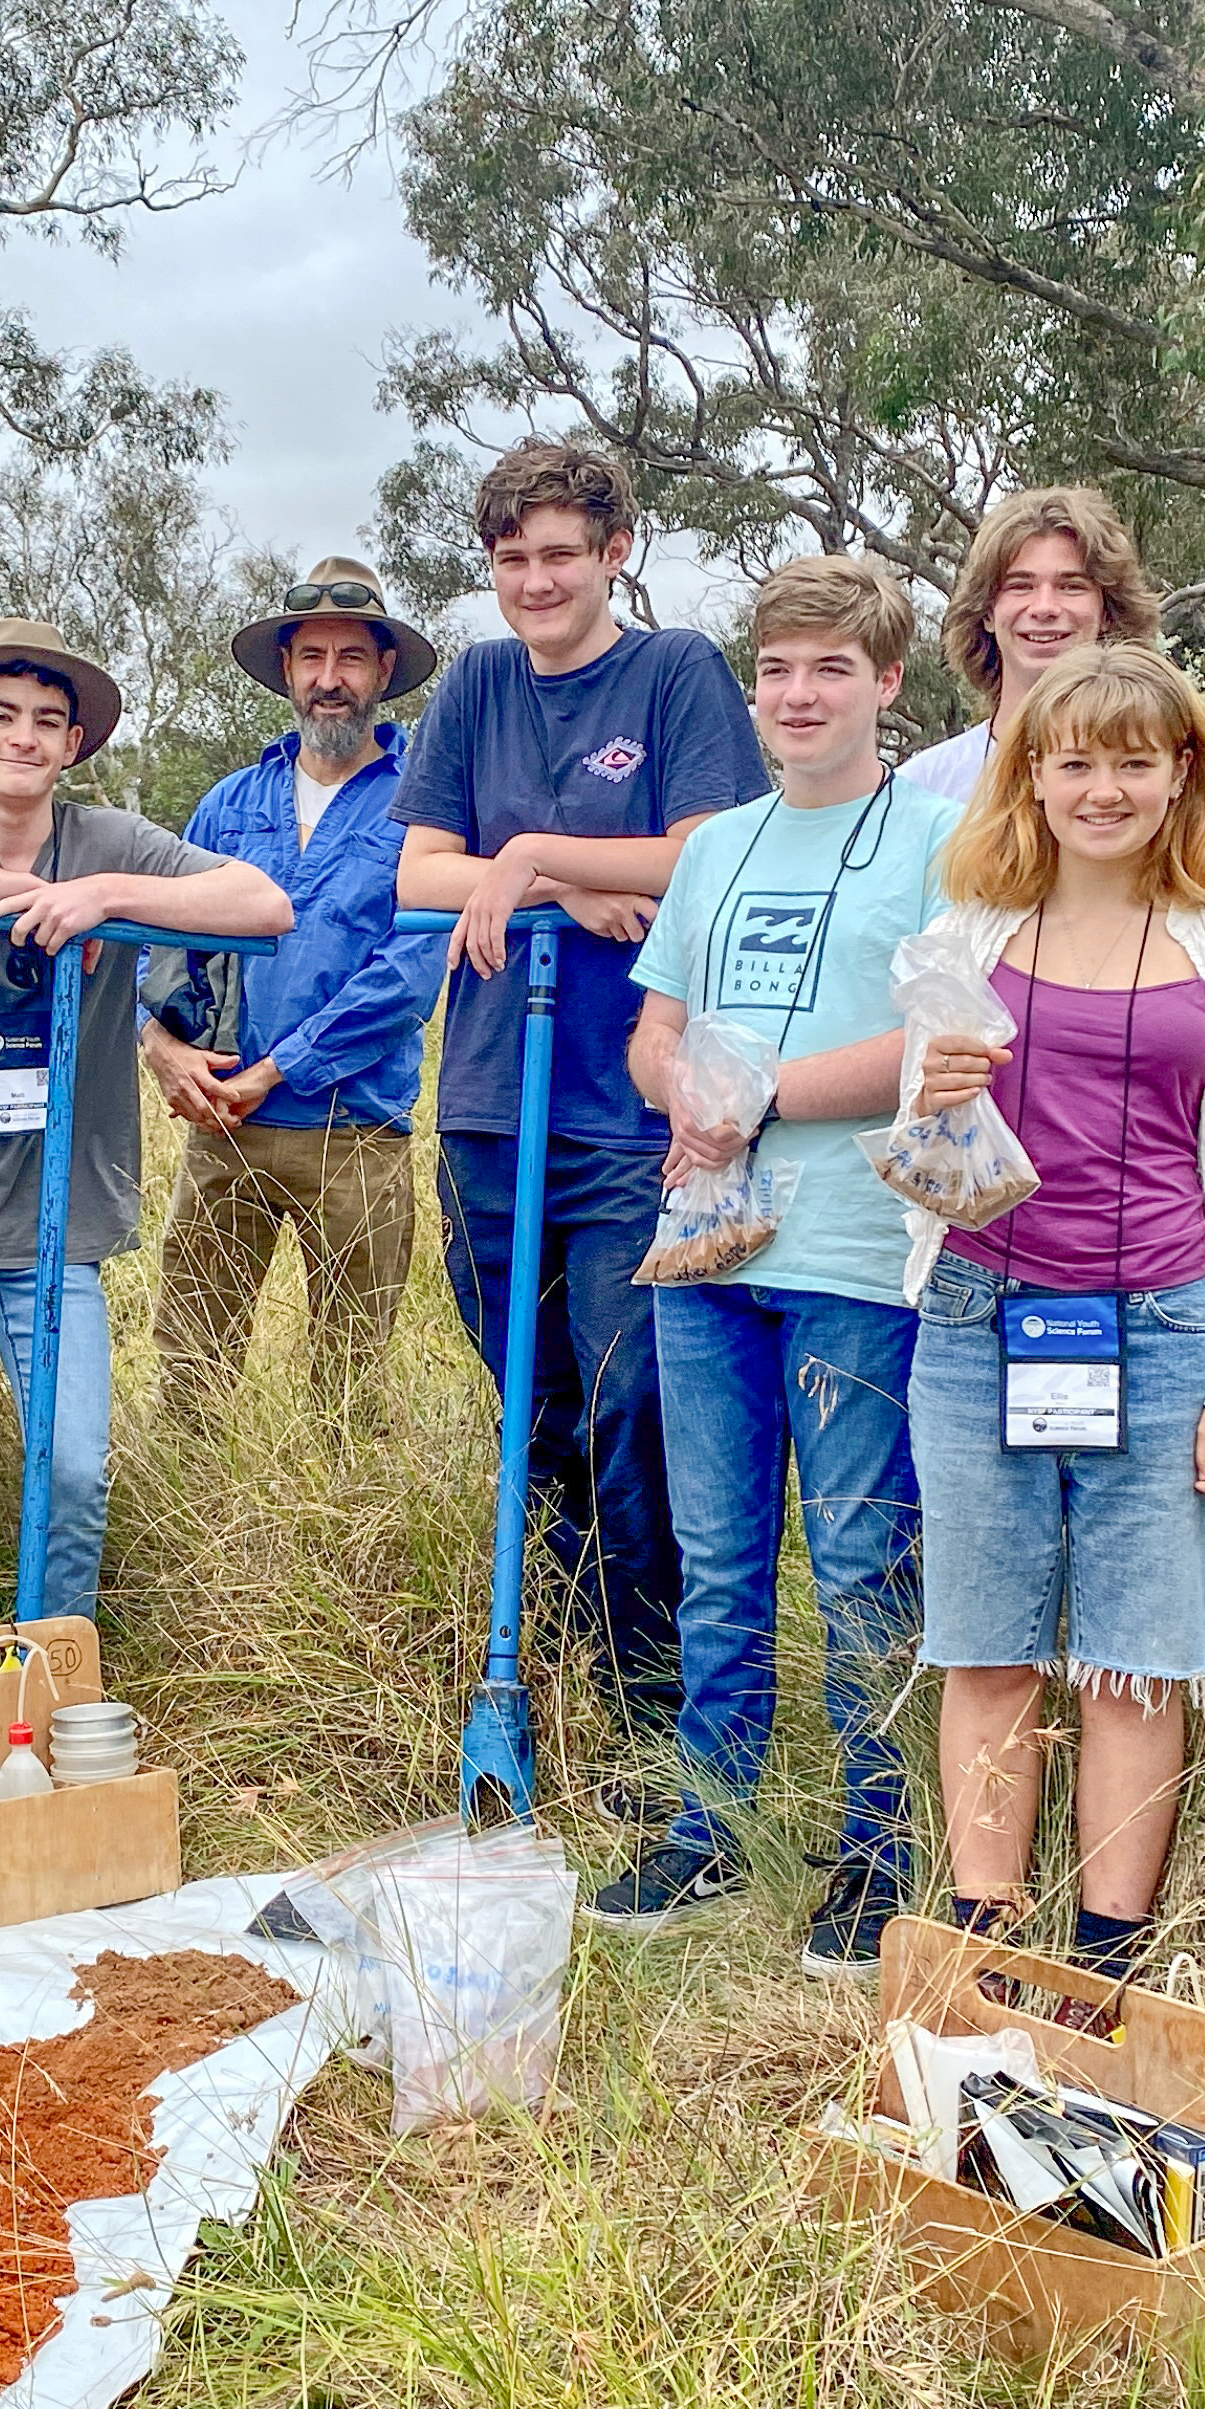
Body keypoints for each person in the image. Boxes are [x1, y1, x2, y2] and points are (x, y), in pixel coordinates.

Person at [900, 645, 1205, 2004]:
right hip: (977, 1322)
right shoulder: (964, 937)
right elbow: (923, 1152)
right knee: (988, 1640)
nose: (1104, 788)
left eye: (1137, 760)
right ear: (1030, 776)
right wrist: (932, 1094)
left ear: (1184, 772)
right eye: (1074, 761)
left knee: (1138, 1654)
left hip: (1164, 1328)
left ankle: (1107, 1965)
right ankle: (987, 1944)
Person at [594, 556, 952, 1972]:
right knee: (720, 1551)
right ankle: (712, 1827)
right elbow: (652, 1032)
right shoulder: (718, 846)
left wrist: (764, 1097)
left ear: (885, 685)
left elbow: (940, 1043)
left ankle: (881, 1848)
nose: (799, 696)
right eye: (779, 670)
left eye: (830, 670)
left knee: (862, 1557)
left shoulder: (938, 835)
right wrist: (683, 1090)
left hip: (855, 1249)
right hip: (705, 1241)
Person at [394, 439, 761, 1733]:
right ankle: (570, 1668)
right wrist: (567, 883)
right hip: (491, 1101)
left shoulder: (675, 675)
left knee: (628, 1407)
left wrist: (534, 852)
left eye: (562, 554)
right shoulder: (481, 685)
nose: (538, 582)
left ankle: (660, 1705)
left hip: (628, 1108)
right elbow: (422, 874)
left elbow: (706, 854)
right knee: (531, 1403)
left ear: (617, 553)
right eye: (512, 560)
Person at [0, 618, 292, 1630]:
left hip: (56, 1222)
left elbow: (262, 904)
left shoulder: (110, 843)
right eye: (0, 715)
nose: (23, 738)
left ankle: (54, 1669)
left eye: (49, 721)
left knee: (77, 1465)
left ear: (75, 743)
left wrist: (105, 897)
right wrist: (38, 900)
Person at [144, 557, 446, 1419]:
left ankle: (348, 1549)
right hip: (221, 1131)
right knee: (190, 1374)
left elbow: (408, 977)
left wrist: (275, 1071)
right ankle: (190, 1540)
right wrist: (163, 1050)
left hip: (358, 1134)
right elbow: (154, 949)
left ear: (384, 671)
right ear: (286, 669)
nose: (329, 680)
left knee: (351, 1388)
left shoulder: (424, 811)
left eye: (351, 658)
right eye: (311, 657)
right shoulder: (228, 804)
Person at [895, 484, 1163, 808]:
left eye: (1071, 586)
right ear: (988, 613)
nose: (1044, 607)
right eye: (1021, 586)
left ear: (1107, 612)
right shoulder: (921, 789)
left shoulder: (1163, 781)